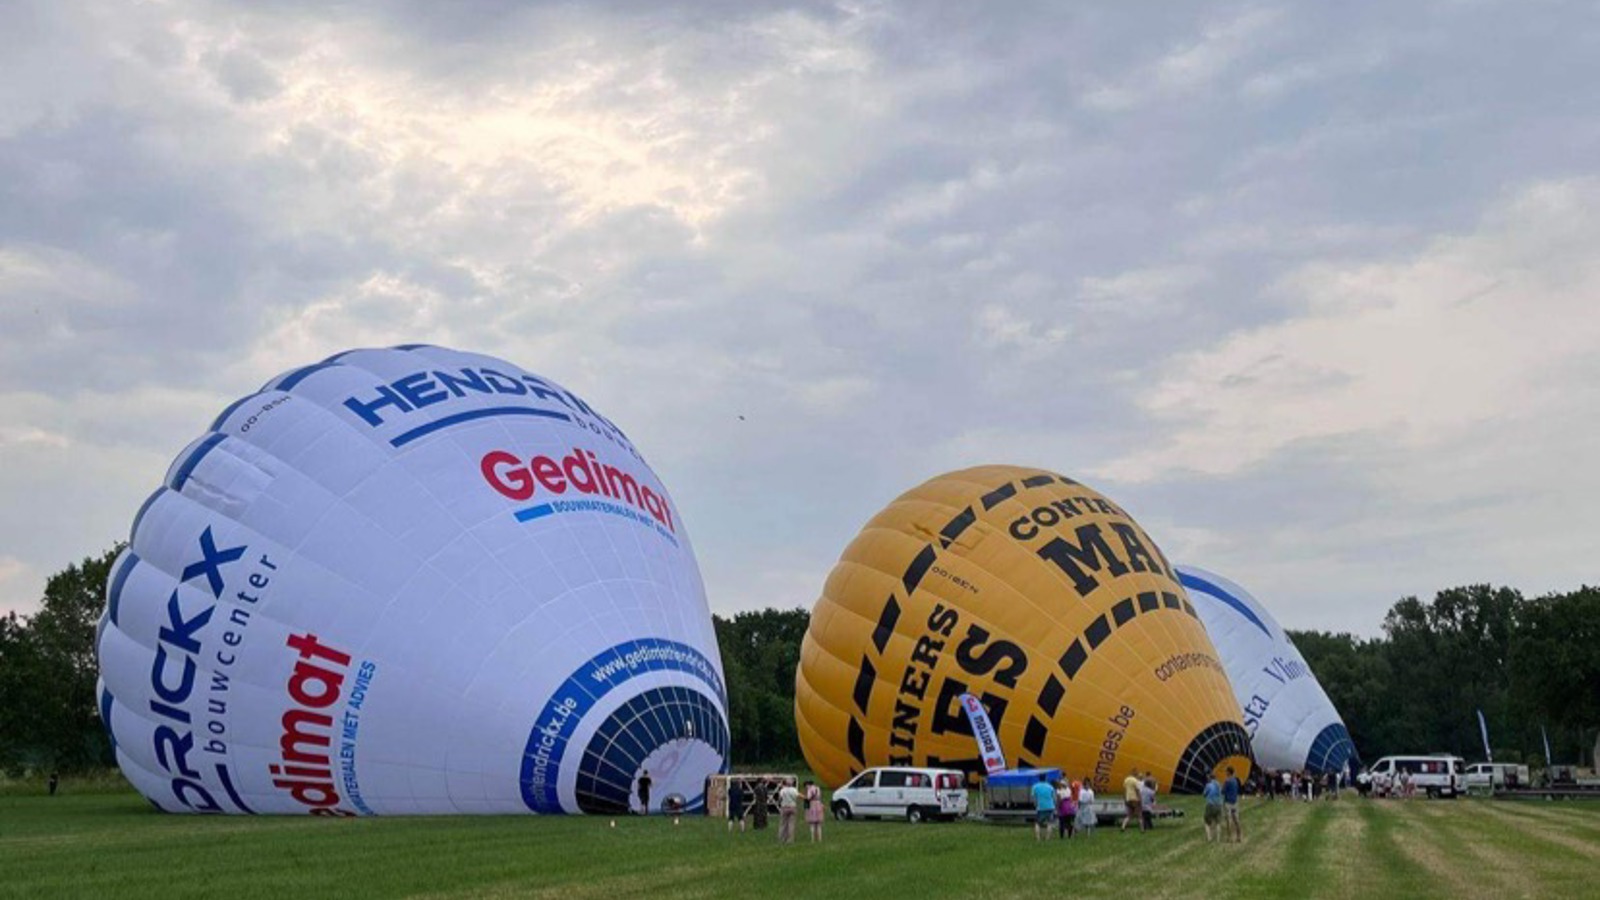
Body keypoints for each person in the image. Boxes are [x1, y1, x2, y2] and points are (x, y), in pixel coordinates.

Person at [1031, 773, 1056, 841]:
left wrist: (1035, 805)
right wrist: (1054, 805)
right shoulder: (1050, 787)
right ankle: (1047, 838)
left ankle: (1038, 838)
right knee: (1049, 823)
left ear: (1039, 778)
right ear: (1046, 778)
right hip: (1050, 807)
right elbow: (1054, 798)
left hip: (1040, 807)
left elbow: (1034, 798)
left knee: (1037, 823)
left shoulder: (1035, 786)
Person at [1223, 766, 1243, 843]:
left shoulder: (1227, 781)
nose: (1225, 773)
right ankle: (1239, 836)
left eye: (1226, 771)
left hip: (1228, 802)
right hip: (1235, 802)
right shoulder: (1235, 780)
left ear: (1229, 772)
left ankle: (1229, 837)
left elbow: (1223, 791)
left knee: (1229, 820)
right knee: (1236, 820)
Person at [1202, 774, 1223, 843]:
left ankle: (1209, 838)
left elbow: (1204, 794)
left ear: (1210, 778)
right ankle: (1218, 839)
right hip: (1219, 805)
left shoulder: (1208, 785)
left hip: (1211, 804)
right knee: (1218, 822)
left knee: (1207, 822)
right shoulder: (1219, 785)